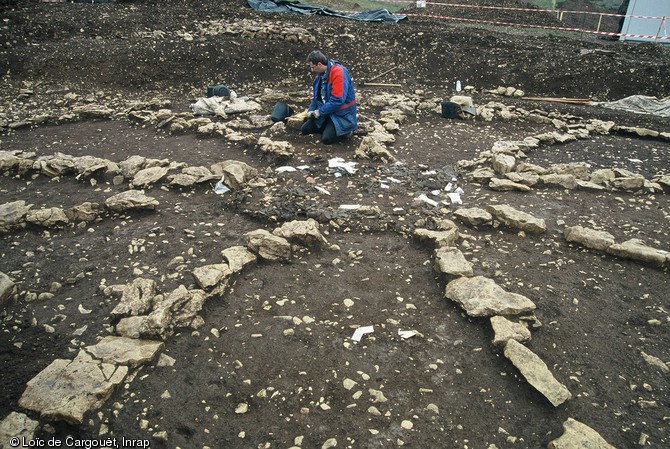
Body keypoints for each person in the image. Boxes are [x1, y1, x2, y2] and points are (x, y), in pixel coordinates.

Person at [301, 50, 357, 145]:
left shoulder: (338, 72)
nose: (312, 70)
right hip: (328, 112)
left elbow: (337, 100)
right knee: (305, 129)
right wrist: (311, 111)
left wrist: (319, 112)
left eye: (313, 67)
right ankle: (329, 125)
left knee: (327, 139)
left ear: (319, 64)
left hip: (342, 114)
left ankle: (347, 130)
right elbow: (316, 97)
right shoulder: (320, 75)